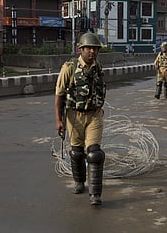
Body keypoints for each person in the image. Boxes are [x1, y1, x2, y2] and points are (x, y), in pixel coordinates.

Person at [54, 32, 107, 206]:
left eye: (95, 48)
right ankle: (79, 182)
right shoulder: (69, 68)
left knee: (94, 154)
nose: (92, 52)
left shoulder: (98, 68)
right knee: (77, 153)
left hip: (94, 114)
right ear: (81, 49)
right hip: (74, 115)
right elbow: (59, 96)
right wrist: (58, 120)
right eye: (88, 48)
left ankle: (95, 193)